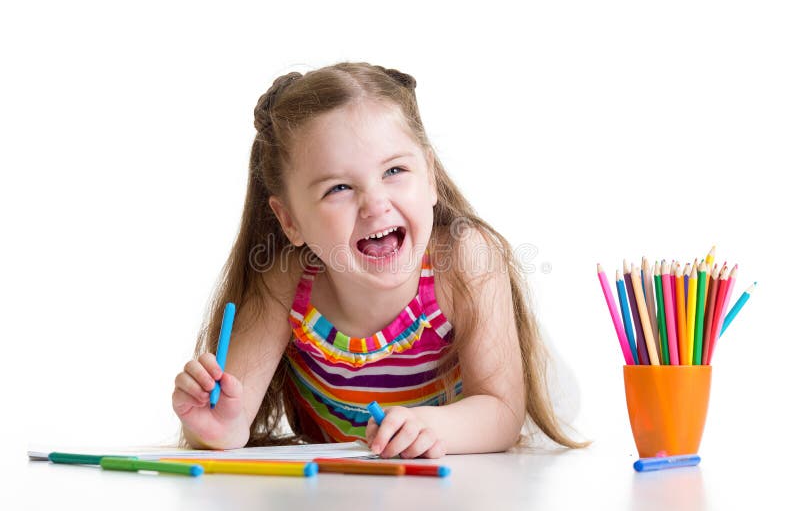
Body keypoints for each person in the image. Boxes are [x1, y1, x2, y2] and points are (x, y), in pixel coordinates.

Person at [172, 62, 586, 458]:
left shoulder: (465, 260)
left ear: (431, 178)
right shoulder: (284, 282)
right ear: (290, 220)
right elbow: (230, 420)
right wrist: (215, 427)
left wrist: (432, 427)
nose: (375, 204)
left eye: (393, 171)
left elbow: (502, 413)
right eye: (338, 188)